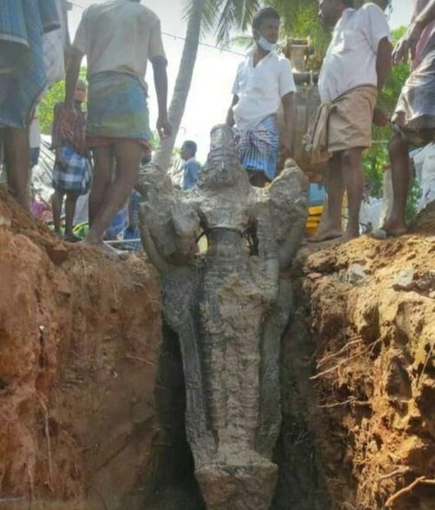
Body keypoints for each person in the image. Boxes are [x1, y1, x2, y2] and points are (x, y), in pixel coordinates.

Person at [63, 0, 171, 254]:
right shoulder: (148, 17)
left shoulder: (93, 12)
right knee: (127, 175)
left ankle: (93, 241)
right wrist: (163, 113)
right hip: (129, 93)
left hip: (99, 91)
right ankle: (94, 238)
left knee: (102, 174)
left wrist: (69, 103)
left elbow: (75, 56)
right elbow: (159, 64)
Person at [307, 0, 392, 242]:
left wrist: (373, 95)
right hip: (333, 103)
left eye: (322, 3)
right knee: (333, 164)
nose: (319, 8)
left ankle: (352, 228)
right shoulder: (338, 31)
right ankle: (332, 224)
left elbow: (384, 52)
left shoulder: (367, 12)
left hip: (355, 93)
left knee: (349, 156)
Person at [381, 0, 435, 237]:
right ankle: (396, 219)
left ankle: (396, 218)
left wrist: (414, 29)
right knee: (398, 138)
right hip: (426, 54)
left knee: (401, 132)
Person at [226, 7, 297, 188]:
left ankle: (253, 217)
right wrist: (225, 129)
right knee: (236, 182)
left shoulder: (282, 64)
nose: (274, 32)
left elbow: (289, 103)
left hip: (263, 128)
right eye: (269, 27)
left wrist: (287, 136)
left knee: (257, 179)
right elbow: (235, 101)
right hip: (240, 130)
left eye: (276, 28)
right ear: (256, 32)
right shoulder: (243, 65)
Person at [0, 0, 60, 209]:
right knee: (18, 116)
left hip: (14, 39)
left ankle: (22, 212)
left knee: (18, 116)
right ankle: (22, 209)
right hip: (17, 37)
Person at [51, 80, 90, 242]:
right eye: (77, 89)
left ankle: (68, 231)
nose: (80, 92)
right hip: (66, 151)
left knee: (73, 195)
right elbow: (57, 129)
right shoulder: (63, 107)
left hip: (80, 156)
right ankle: (57, 229)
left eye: (83, 90)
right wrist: (58, 152)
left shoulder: (83, 113)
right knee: (59, 191)